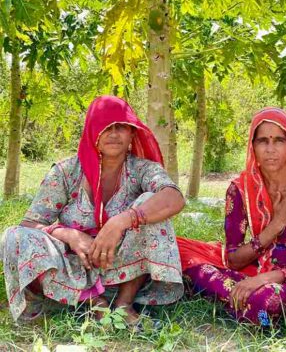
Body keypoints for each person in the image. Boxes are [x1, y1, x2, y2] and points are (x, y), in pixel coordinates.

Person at [2, 96, 185, 323]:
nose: (114, 134)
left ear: (132, 134)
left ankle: (123, 305)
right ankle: (93, 303)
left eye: (121, 127)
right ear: (91, 132)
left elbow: (174, 198)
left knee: (151, 202)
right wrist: (69, 234)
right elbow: (29, 225)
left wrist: (121, 221)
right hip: (72, 274)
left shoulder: (142, 169)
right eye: (105, 127)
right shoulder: (66, 171)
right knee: (14, 236)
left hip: (121, 273)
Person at [177, 107, 286, 326]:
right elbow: (232, 259)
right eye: (263, 141)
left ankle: (243, 304)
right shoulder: (240, 189)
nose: (270, 149)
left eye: (278, 140)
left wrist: (266, 279)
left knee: (266, 301)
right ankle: (244, 302)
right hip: (252, 270)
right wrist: (276, 225)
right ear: (253, 147)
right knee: (190, 264)